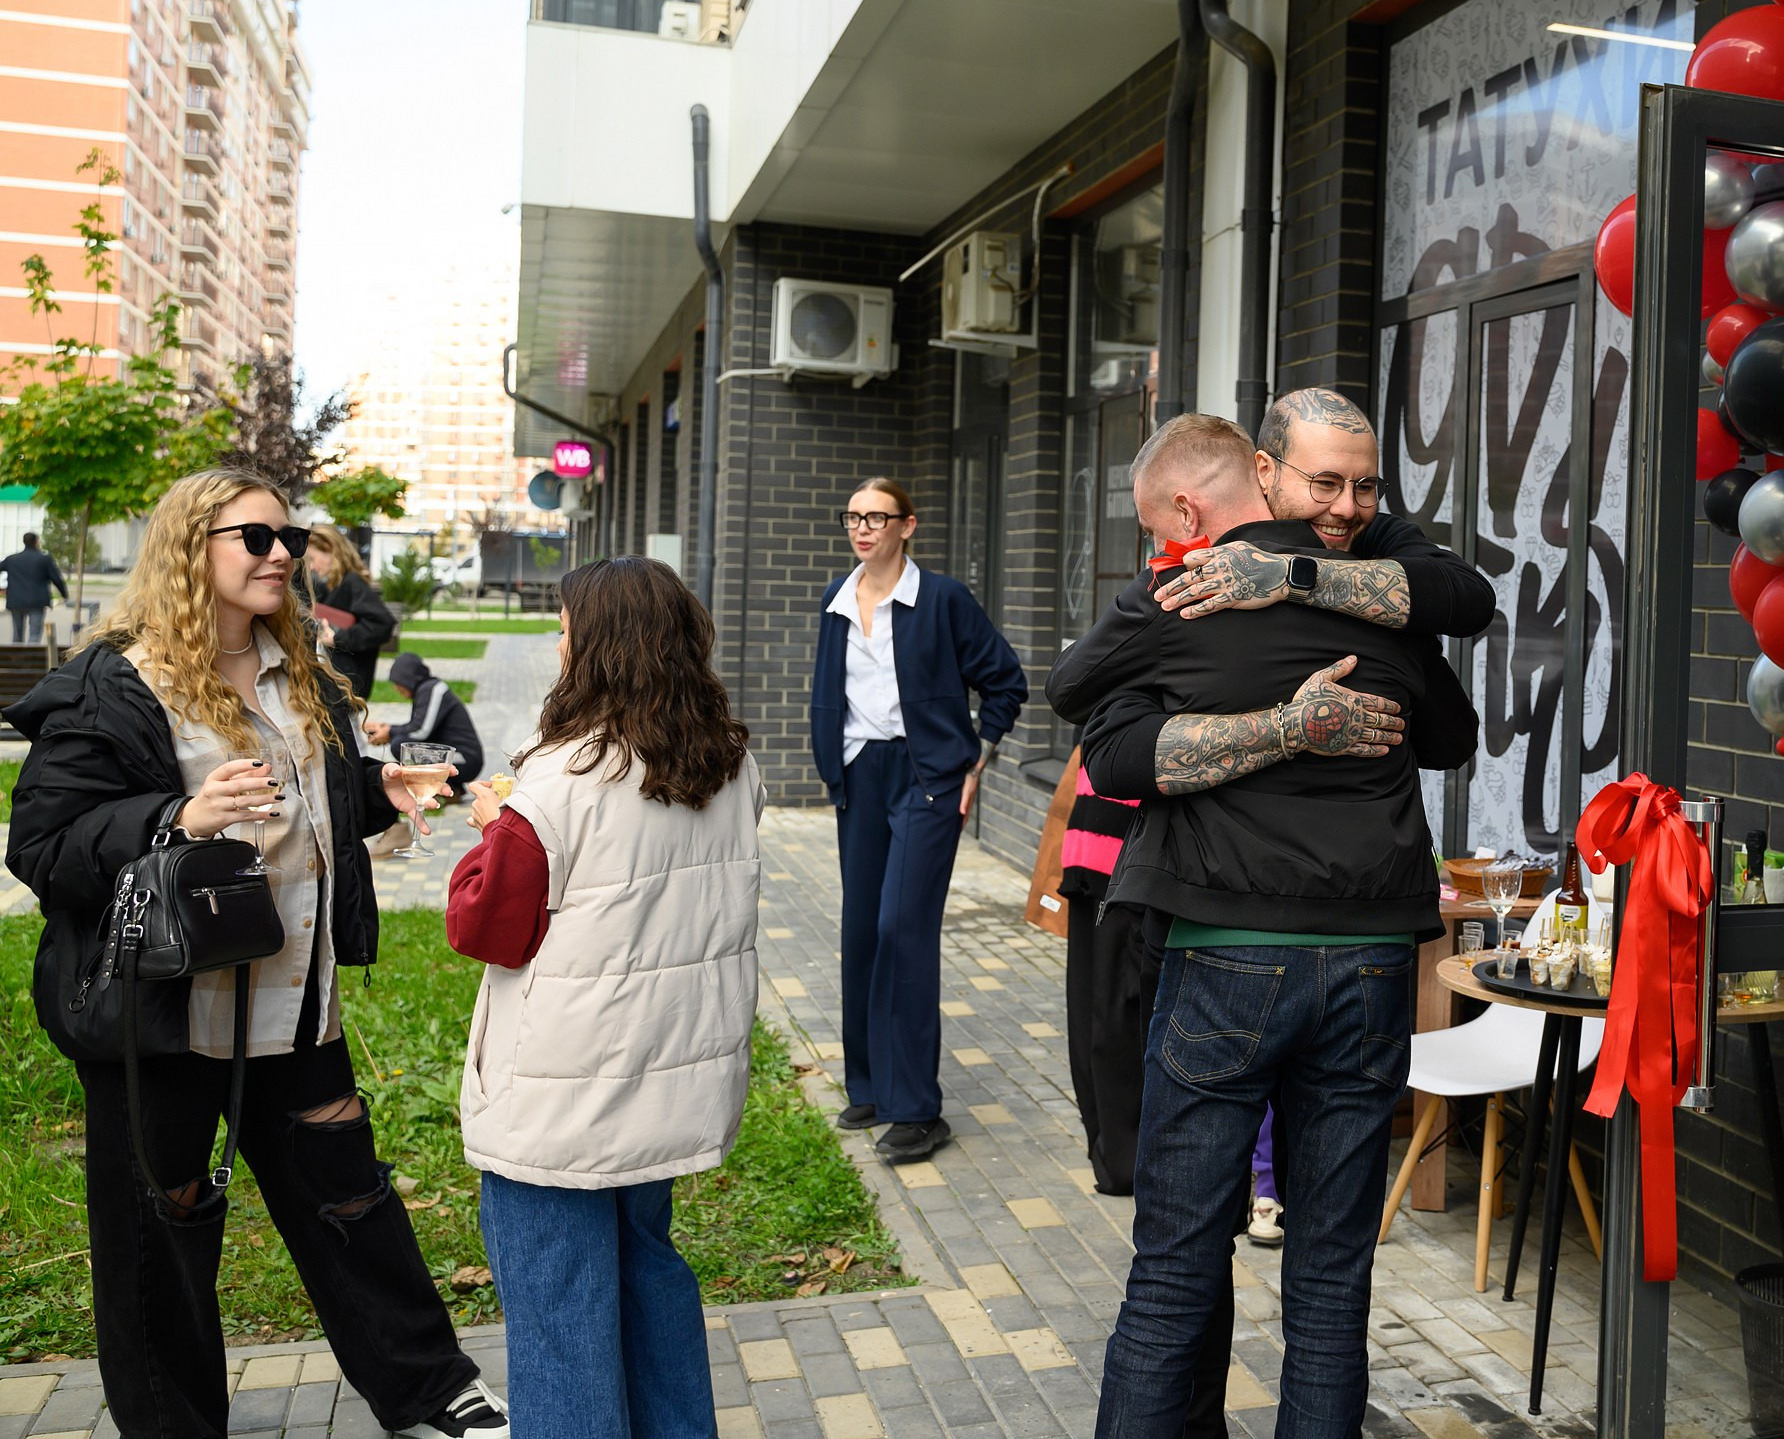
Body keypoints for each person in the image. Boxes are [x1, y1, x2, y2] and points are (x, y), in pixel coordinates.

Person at [2, 467, 501, 1439]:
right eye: (257, 538)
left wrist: (376, 786)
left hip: (294, 1000)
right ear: (194, 548)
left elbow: (312, 804)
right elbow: (45, 841)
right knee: (164, 1237)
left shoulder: (299, 669)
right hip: (168, 1017)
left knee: (352, 1200)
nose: (285, 554)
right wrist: (174, 815)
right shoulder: (120, 680)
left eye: (290, 536)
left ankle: (431, 1392)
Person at [1067, 414, 1480, 1439]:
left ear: (1194, 510)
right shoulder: (1383, 596)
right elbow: (1451, 733)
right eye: (1332, 486)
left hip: (1226, 952)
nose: (1350, 508)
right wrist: (1303, 717)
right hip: (1374, 959)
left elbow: (1078, 702)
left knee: (1175, 1264)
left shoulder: (1184, 591)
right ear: (1273, 473)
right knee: (1332, 1280)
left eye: (1364, 488)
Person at [447, 555, 763, 1439]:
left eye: (564, 626)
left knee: (558, 1315)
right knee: (648, 1276)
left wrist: (488, 835)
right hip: (663, 1083)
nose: (556, 641)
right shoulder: (730, 764)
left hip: (563, 1093)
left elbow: (487, 928)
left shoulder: (559, 780)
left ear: (597, 646)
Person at [810, 476, 1028, 1163]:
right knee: (862, 929)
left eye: (877, 516)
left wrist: (977, 763)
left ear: (908, 525)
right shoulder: (837, 602)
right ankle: (871, 1084)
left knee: (901, 927)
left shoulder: (942, 600)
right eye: (853, 516)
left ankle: (917, 1108)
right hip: (859, 777)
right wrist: (831, 766)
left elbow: (1006, 681)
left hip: (929, 778)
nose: (863, 527)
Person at [367, 651, 485, 795]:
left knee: (402, 747)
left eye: (398, 683)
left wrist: (390, 732)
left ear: (408, 679)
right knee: (402, 744)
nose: (396, 688)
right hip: (458, 755)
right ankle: (451, 788)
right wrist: (387, 729)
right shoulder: (426, 689)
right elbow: (417, 727)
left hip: (466, 759)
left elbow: (421, 731)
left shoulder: (433, 689)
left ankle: (440, 789)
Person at [302, 526, 398, 701]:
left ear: (330, 549)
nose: (313, 566)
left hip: (349, 686)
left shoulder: (352, 583)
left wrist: (337, 638)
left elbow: (382, 624)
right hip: (341, 684)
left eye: (313, 558)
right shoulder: (334, 585)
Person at [1, 530, 68, 644]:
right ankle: (30, 659)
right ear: (36, 542)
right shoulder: (44, 559)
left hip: (16, 601)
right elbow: (56, 578)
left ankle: (17, 659)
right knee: (35, 633)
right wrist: (64, 594)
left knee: (17, 634)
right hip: (37, 602)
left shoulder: (12, 559)